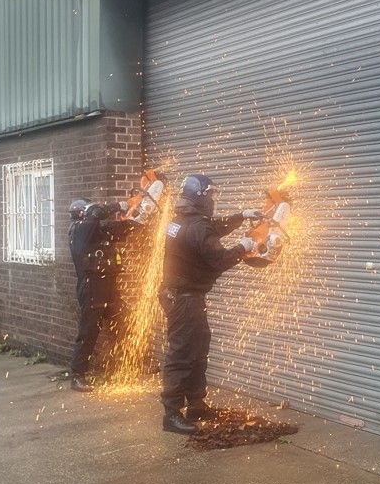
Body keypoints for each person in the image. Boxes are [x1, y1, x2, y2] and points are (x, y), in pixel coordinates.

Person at [159, 174, 261, 434]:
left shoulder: (182, 220)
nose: (214, 199)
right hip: (185, 299)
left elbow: (211, 227)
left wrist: (242, 216)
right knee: (182, 353)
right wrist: (243, 247)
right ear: (202, 195)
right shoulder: (196, 226)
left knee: (198, 348)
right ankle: (171, 414)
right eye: (212, 194)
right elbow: (218, 260)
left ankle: (196, 405)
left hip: (181, 295)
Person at [68, 197, 138, 392]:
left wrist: (136, 221)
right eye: (92, 211)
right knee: (89, 331)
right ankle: (78, 375)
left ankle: (123, 367)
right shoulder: (80, 229)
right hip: (91, 287)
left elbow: (118, 230)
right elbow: (97, 214)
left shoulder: (96, 230)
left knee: (121, 323)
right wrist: (119, 205)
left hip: (108, 285)